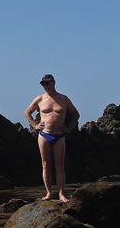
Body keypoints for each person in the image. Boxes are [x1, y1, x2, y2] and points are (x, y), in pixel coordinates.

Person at [24, 73, 80, 201]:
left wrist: (69, 128)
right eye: (43, 84)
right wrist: (34, 125)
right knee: (45, 164)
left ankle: (61, 194)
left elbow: (76, 114)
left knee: (59, 165)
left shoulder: (64, 99)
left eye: (47, 83)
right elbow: (27, 112)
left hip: (59, 136)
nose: (45, 86)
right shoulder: (40, 99)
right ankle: (48, 193)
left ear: (53, 82)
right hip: (44, 134)